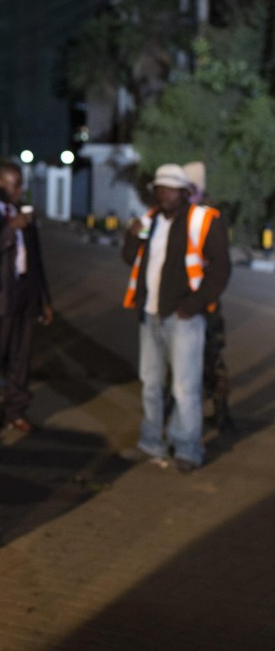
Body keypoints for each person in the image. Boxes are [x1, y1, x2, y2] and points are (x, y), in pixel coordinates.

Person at [120, 163, 231, 473]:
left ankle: (187, 448)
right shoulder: (150, 220)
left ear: (185, 193)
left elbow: (221, 268)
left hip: (183, 316)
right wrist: (131, 236)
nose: (163, 193)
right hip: (150, 314)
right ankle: (151, 442)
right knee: (151, 384)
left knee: (184, 386)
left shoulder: (203, 220)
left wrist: (193, 305)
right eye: (159, 188)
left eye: (170, 188)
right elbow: (131, 258)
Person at [0, 161, 52, 433]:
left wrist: (44, 300)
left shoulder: (23, 215)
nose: (20, 190)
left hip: (24, 292)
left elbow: (37, 259)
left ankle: (15, 410)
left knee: (21, 357)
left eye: (21, 184)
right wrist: (10, 229)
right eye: (15, 184)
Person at [183, 161, 233, 432]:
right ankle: (214, 412)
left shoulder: (206, 217)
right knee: (204, 360)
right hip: (189, 299)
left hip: (205, 302)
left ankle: (220, 412)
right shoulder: (191, 215)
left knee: (210, 359)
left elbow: (219, 265)